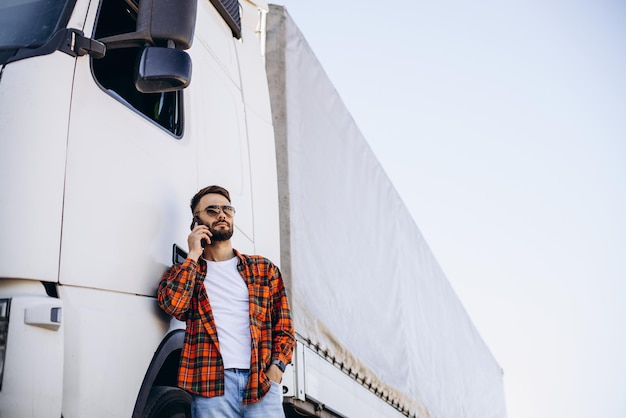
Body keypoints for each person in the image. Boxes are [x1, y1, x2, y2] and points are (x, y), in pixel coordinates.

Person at [158, 185, 295, 418]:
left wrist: (276, 369)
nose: (222, 214)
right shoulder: (187, 273)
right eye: (212, 210)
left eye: (227, 209)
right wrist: (192, 255)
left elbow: (284, 328)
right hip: (212, 388)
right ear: (196, 222)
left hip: (261, 384)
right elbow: (174, 305)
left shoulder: (263, 269)